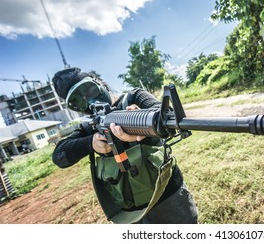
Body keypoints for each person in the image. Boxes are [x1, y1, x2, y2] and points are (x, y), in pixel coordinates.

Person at [51, 67, 198, 224]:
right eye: (78, 102)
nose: (89, 101)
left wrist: (141, 117)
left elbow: (165, 114)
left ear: (99, 82)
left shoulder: (134, 97)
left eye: (89, 91)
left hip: (167, 195)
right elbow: (59, 156)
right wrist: (90, 143)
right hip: (131, 212)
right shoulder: (91, 126)